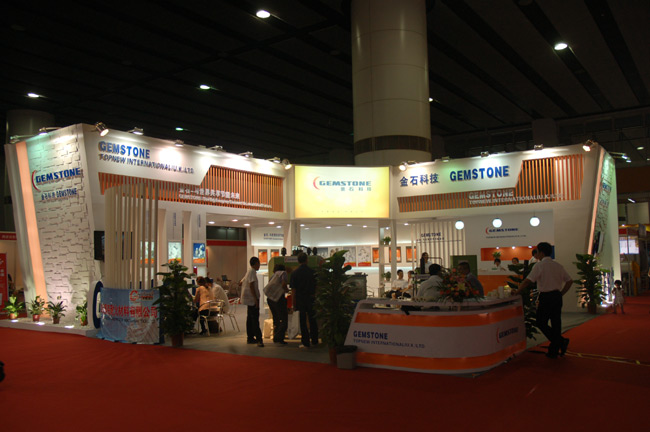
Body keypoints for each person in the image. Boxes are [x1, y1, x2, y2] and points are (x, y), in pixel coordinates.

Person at [513, 242, 572, 358]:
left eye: (537, 251)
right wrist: (561, 293)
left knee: (540, 322)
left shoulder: (539, 266)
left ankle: (560, 342)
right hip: (557, 296)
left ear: (541, 252)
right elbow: (569, 281)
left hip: (546, 297)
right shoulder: (558, 266)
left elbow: (528, 281)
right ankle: (555, 349)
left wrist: (517, 291)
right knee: (556, 323)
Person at [290, 252, 318, 348]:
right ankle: (315, 340)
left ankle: (305, 342)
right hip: (311, 298)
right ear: (307, 260)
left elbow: (293, 290)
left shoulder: (294, 273)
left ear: (298, 261)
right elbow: (317, 286)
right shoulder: (313, 272)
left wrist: (293, 303)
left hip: (300, 299)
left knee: (302, 321)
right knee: (312, 319)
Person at [240, 257, 264, 347]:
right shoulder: (252, 272)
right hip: (252, 300)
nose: (259, 265)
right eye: (259, 263)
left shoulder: (249, 271)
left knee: (250, 319)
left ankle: (250, 338)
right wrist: (255, 299)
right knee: (254, 319)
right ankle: (259, 339)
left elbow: (241, 282)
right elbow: (251, 285)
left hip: (249, 300)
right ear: (255, 263)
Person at [266, 264, 289, 345]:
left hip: (270, 299)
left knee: (276, 319)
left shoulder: (273, 276)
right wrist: (287, 290)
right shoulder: (283, 273)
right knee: (284, 319)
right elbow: (283, 284)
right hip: (278, 299)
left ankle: (276, 336)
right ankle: (279, 337)